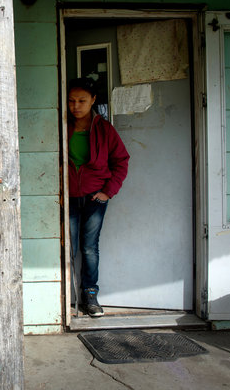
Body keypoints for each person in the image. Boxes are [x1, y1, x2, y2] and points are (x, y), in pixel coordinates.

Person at [67, 77, 129, 318]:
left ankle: (90, 295)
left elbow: (121, 161)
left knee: (89, 248)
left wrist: (108, 192)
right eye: (72, 101)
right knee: (69, 249)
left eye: (82, 100)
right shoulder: (62, 126)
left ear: (93, 100)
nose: (76, 106)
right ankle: (67, 297)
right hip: (69, 198)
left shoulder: (104, 129)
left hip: (95, 199)